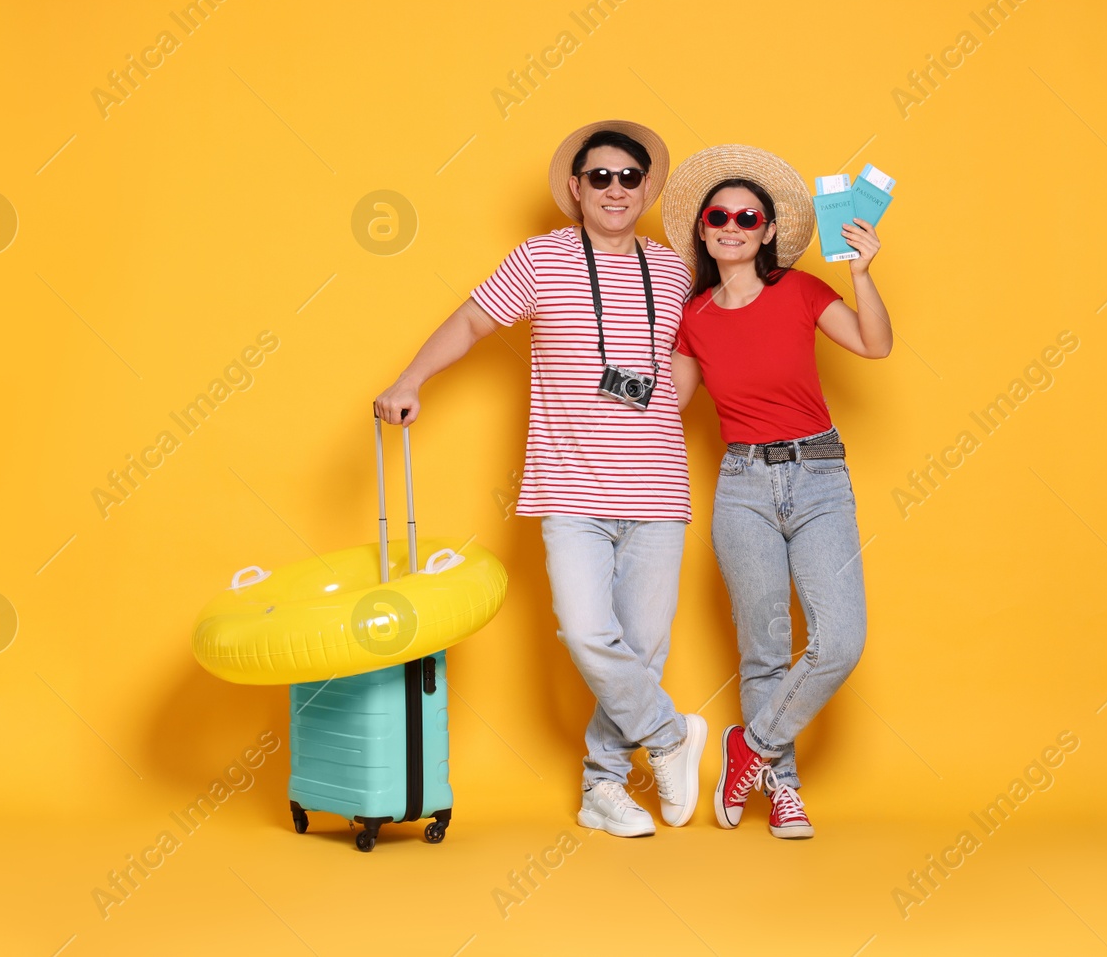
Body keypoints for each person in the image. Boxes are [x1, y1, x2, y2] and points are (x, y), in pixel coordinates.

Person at [374, 120, 707, 837]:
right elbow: (469, 322)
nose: (615, 189)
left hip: (658, 488)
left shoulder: (677, 269)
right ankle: (672, 734)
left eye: (629, 177)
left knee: (643, 648)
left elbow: (689, 362)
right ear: (574, 189)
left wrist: (669, 387)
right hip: (570, 489)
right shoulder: (540, 259)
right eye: (600, 177)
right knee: (589, 632)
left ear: (647, 188)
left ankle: (603, 786)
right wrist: (410, 380)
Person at [664, 145, 893, 838]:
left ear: (766, 230)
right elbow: (666, 405)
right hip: (742, 486)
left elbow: (875, 344)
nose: (731, 225)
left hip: (820, 476)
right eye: (719, 215)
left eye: (747, 216)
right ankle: (782, 788)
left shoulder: (800, 291)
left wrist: (860, 271)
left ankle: (751, 746)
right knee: (764, 647)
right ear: (703, 230)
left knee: (839, 640)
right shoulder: (694, 315)